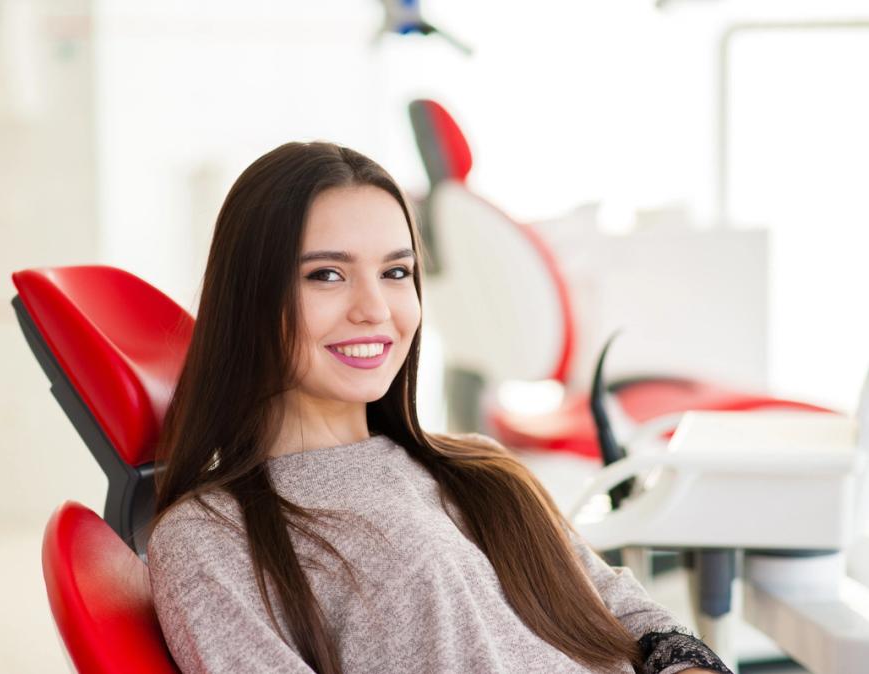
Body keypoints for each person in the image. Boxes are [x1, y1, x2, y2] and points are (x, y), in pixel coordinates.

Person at [148, 141, 732, 674]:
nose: (375, 308)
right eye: (327, 275)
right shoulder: (211, 537)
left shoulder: (482, 468)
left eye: (396, 272)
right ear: (250, 298)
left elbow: (633, 618)